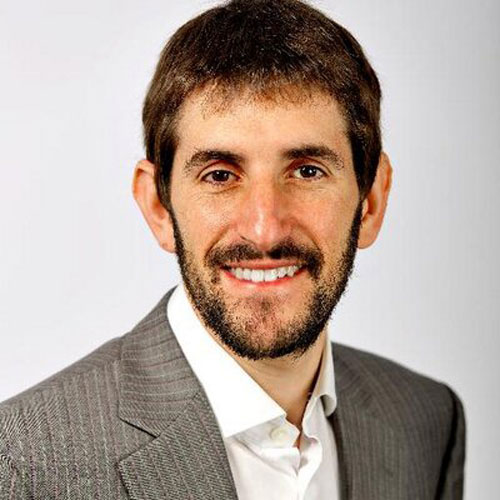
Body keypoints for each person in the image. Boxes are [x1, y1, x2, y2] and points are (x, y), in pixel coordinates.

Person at [0, 0, 465, 498]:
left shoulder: (426, 420)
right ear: (158, 207)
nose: (264, 230)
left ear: (370, 202)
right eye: (220, 175)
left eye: (308, 171)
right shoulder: (23, 462)